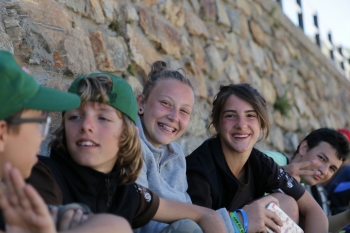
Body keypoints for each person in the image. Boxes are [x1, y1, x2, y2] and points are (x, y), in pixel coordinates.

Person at [30, 72, 226, 232]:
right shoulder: (41, 174)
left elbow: (204, 214)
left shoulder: (124, 192)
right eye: (74, 117)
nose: (86, 126)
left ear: (128, 132)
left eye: (103, 118)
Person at [135, 61, 285, 233]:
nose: (174, 116)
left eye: (184, 111)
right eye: (165, 103)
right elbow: (142, 211)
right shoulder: (130, 144)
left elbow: (189, 214)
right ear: (141, 102)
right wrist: (237, 222)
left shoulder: (176, 155)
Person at [0, 50, 132, 233]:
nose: (42, 136)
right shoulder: (44, 174)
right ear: (1, 135)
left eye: (103, 118)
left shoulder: (123, 187)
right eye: (39, 123)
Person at [186, 83, 329, 232]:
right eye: (230, 115)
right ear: (216, 124)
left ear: (261, 125)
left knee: (287, 204)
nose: (241, 125)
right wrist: (242, 221)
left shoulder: (261, 163)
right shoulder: (200, 171)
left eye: (250, 116)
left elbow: (314, 210)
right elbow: (198, 227)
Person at [279, 128, 350, 233]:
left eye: (332, 168)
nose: (324, 171)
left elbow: (318, 225)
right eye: (321, 158)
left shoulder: (309, 189)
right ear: (304, 148)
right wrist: (278, 174)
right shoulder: (273, 161)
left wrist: (348, 216)